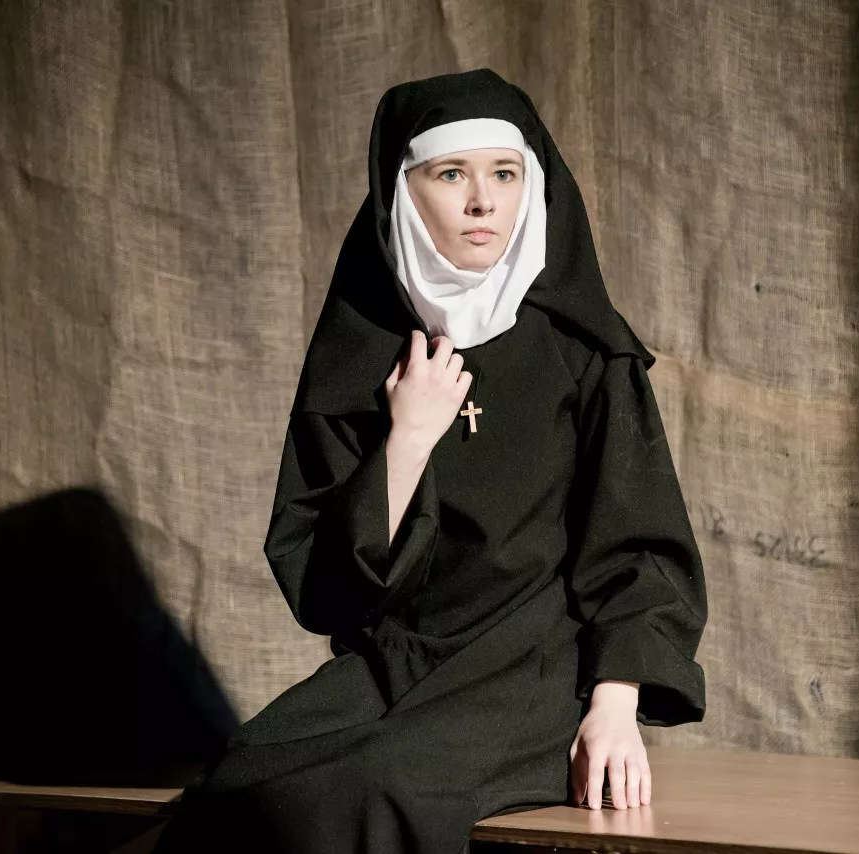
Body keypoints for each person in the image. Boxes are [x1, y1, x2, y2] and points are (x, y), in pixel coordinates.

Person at [152, 67, 707, 854]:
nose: (483, 201)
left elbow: (638, 545)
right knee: (239, 782)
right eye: (451, 174)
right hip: (395, 663)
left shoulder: (583, 350)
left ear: (533, 185)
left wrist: (614, 706)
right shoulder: (361, 349)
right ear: (401, 192)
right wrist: (406, 439)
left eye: (504, 174)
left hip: (533, 672)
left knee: (366, 795)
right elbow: (325, 588)